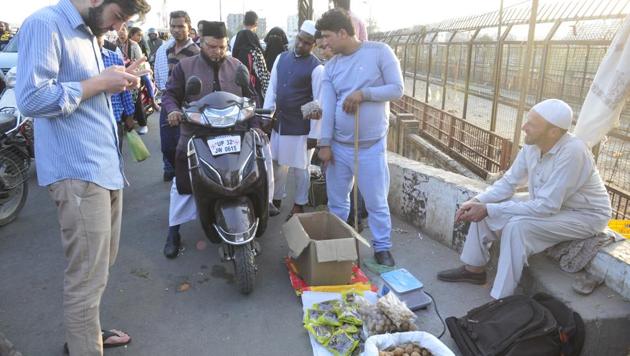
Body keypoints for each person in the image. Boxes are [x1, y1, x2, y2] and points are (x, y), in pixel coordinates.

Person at [15, 0, 151, 354]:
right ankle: (84, 345)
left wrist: (116, 78)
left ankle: (85, 333)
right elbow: (30, 99)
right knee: (86, 277)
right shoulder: (45, 24)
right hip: (77, 173)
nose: (118, 27)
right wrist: (97, 83)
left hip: (103, 167)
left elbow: (87, 90)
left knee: (99, 269)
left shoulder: (90, 32)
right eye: (118, 17)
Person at [437, 99, 612, 299]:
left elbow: (547, 207)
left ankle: (501, 298)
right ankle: (473, 270)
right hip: (550, 203)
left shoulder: (573, 152)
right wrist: (478, 201)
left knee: (517, 227)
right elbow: (510, 181)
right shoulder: (534, 144)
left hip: (585, 215)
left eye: (532, 124)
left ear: (553, 132)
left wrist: (489, 209)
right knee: (486, 207)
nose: (523, 127)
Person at [160, 21, 277, 258]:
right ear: (201, 42)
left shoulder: (236, 65)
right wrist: (172, 110)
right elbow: (170, 94)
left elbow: (250, 97)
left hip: (235, 131)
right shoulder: (185, 66)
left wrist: (256, 125)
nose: (218, 51)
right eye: (212, 46)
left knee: (262, 157)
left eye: (222, 46)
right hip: (197, 132)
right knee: (182, 182)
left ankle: (265, 201)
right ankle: (174, 231)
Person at [316, 9, 403, 267]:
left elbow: (397, 89)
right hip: (339, 148)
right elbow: (329, 109)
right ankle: (339, 246)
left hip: (370, 147)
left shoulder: (379, 52)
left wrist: (363, 94)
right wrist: (324, 144)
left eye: (327, 36)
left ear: (343, 33)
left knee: (376, 201)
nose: (324, 43)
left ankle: (382, 247)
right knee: (337, 202)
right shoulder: (330, 68)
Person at [263, 20, 323, 220]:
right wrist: (267, 115)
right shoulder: (281, 58)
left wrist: (314, 134)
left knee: (300, 168)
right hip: (280, 123)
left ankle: (299, 204)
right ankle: (276, 198)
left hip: (301, 128)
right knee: (277, 163)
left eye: (307, 43)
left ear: (313, 45)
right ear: (296, 36)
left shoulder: (317, 68)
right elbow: (272, 89)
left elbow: (317, 102)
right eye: (299, 40)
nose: (300, 45)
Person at [156, 11, 199, 182]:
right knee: (167, 147)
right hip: (169, 102)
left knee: (184, 148)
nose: (176, 30)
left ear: (189, 27)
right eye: (173, 26)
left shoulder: (195, 52)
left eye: (181, 26)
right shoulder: (169, 50)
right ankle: (177, 175)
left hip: (186, 108)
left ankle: (185, 180)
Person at [98, 34, 135, 150]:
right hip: (93, 122)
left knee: (116, 155)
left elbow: (125, 90)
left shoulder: (114, 58)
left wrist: (129, 115)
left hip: (115, 119)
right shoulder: (80, 60)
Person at [231, 10, 270, 103]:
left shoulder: (234, 39)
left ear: (244, 22)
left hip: (236, 84)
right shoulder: (255, 44)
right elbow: (262, 73)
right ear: (256, 24)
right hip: (253, 88)